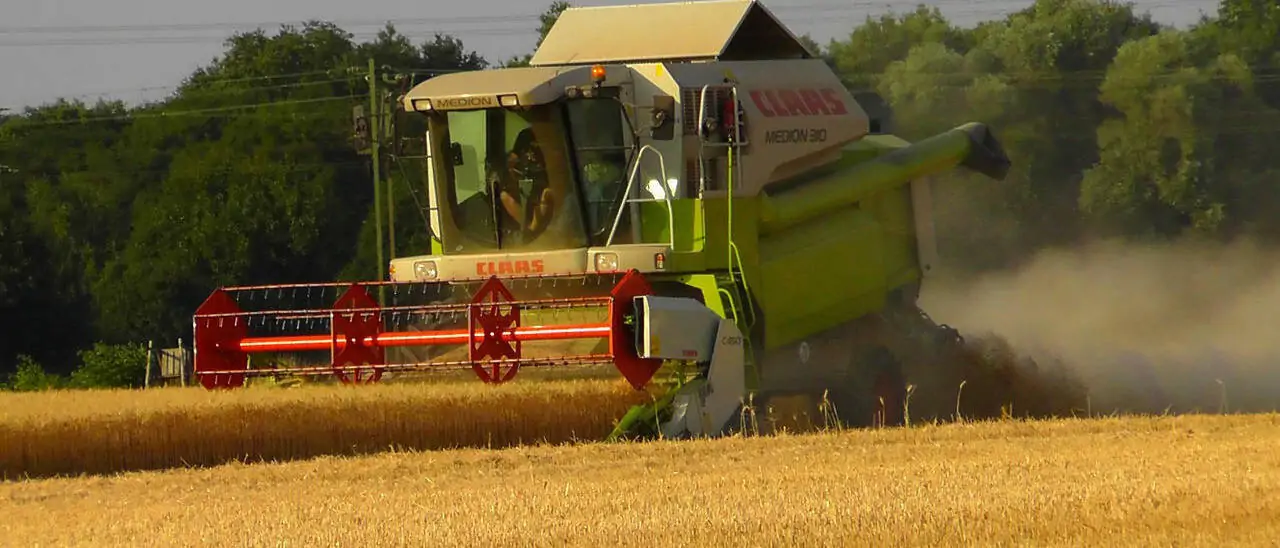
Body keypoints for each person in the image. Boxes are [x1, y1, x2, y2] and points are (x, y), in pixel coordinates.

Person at [498, 128, 555, 241]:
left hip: (548, 179)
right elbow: (513, 158)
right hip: (525, 180)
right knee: (505, 196)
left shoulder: (553, 132)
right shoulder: (525, 135)